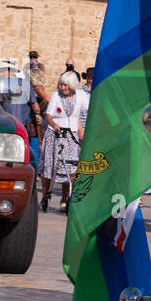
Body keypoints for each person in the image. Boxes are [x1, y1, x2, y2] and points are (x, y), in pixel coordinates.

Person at [39, 71, 87, 212]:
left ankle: (65, 198)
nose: (61, 87)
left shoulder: (80, 96)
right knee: (50, 168)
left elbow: (87, 110)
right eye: (60, 84)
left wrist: (81, 128)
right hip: (55, 134)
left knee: (70, 169)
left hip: (71, 136)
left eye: (65, 85)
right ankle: (45, 196)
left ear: (71, 85)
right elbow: (48, 115)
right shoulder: (56, 95)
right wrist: (54, 125)